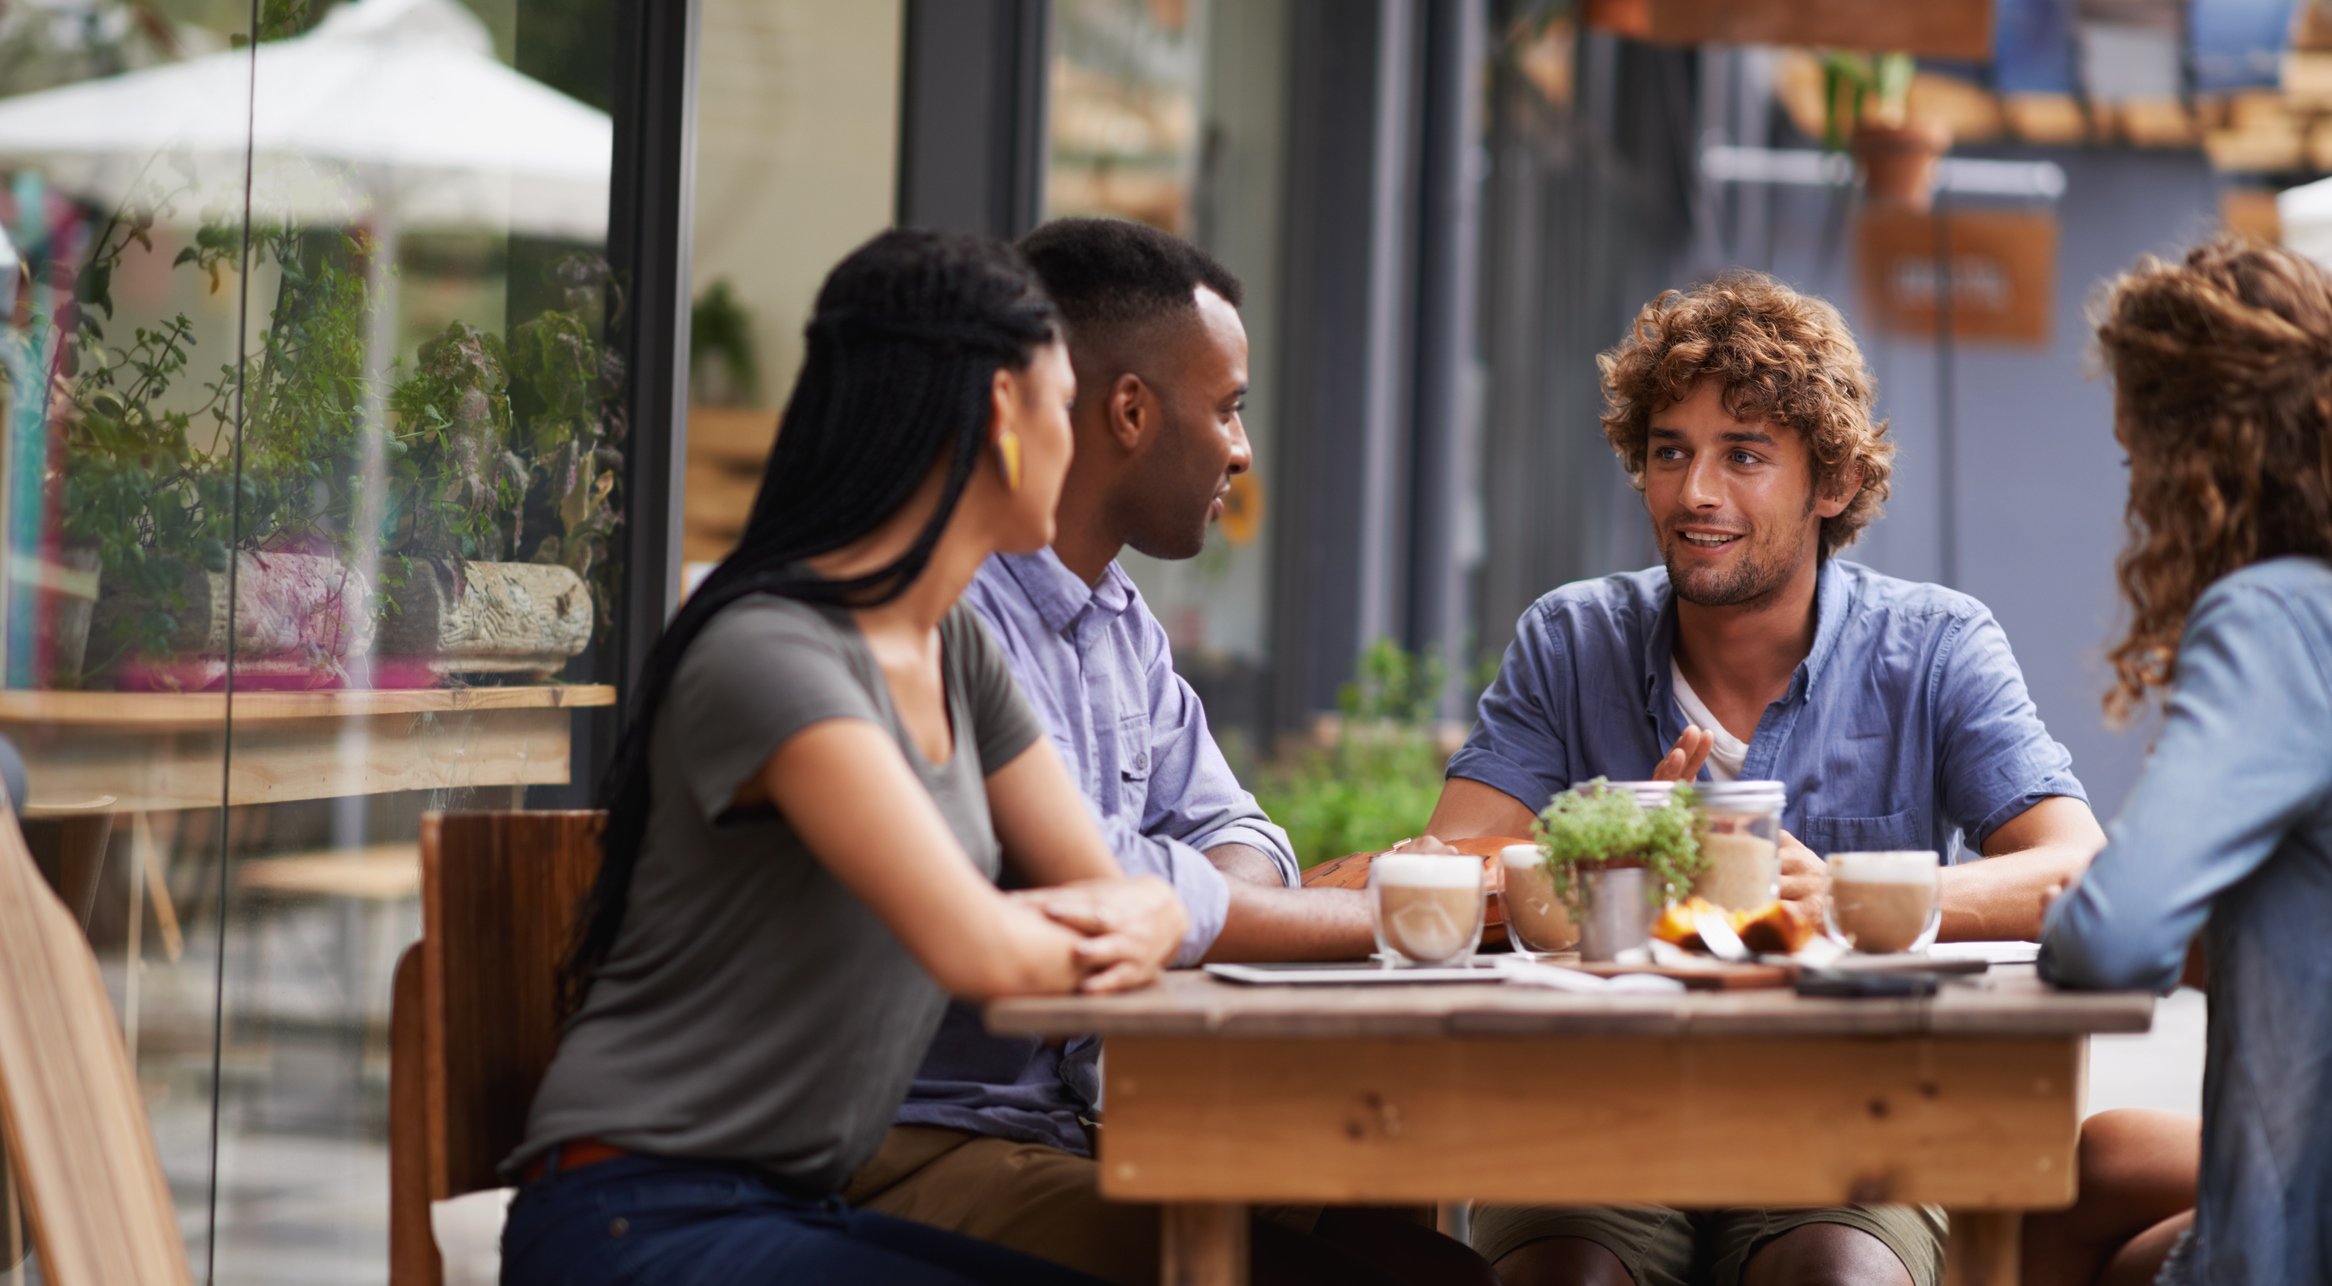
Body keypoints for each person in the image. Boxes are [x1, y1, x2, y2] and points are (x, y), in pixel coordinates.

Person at [497, 229, 1188, 1286]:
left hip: (793, 1209)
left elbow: (1101, 887)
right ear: (1003, 415)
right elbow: (987, 955)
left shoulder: (951, 647)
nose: (1076, 437)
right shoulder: (770, 650)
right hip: (637, 1216)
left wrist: (1143, 910)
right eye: (1060, 405)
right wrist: (1135, 916)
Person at [845, 216, 1491, 1286]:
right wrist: (1385, 914)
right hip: (927, 1141)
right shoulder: (946, 616)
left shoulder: (1117, 617)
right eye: (1230, 407)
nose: (1242, 449)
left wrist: (1185, 901)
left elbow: (1234, 833)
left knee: (1428, 1259)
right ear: (1130, 412)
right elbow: (1092, 882)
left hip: (1099, 1116)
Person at [1428, 271, 2106, 1286]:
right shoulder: (1572, 639)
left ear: (1829, 484)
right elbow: (1444, 865)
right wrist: (1589, 864)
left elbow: (2077, 871)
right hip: (1597, 1112)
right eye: (1670, 452)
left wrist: (1851, 897)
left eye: (1743, 455)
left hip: (1849, 1113)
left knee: (1838, 1274)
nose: (1695, 491)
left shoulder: (1932, 647)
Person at [2040, 236, 2332, 1285]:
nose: (2138, 502)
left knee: (2040, 1222)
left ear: (2193, 457)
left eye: (2135, 462)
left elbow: (2111, 940)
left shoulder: (2275, 616)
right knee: (2094, 1161)